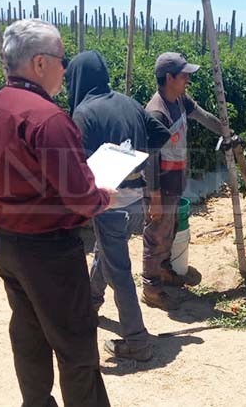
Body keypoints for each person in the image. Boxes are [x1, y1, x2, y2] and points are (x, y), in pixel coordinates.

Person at [0, 20, 112, 407]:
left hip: (7, 241)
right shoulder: (49, 119)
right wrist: (103, 197)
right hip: (49, 249)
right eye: (61, 60)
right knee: (76, 344)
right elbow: (81, 197)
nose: (65, 69)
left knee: (28, 332)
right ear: (40, 63)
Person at [68, 50, 170, 362]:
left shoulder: (84, 113)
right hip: (135, 198)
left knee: (120, 271)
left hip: (108, 201)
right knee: (108, 252)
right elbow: (162, 134)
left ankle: (137, 340)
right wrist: (133, 155)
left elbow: (77, 163)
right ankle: (91, 303)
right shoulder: (131, 103)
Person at [142, 52, 227, 310]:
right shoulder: (156, 112)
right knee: (156, 235)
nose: (188, 78)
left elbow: (202, 116)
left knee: (169, 231)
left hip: (175, 179)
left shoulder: (179, 99)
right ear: (169, 77)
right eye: (184, 75)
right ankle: (151, 288)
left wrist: (227, 133)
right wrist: (155, 198)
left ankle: (165, 272)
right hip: (162, 184)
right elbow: (150, 161)